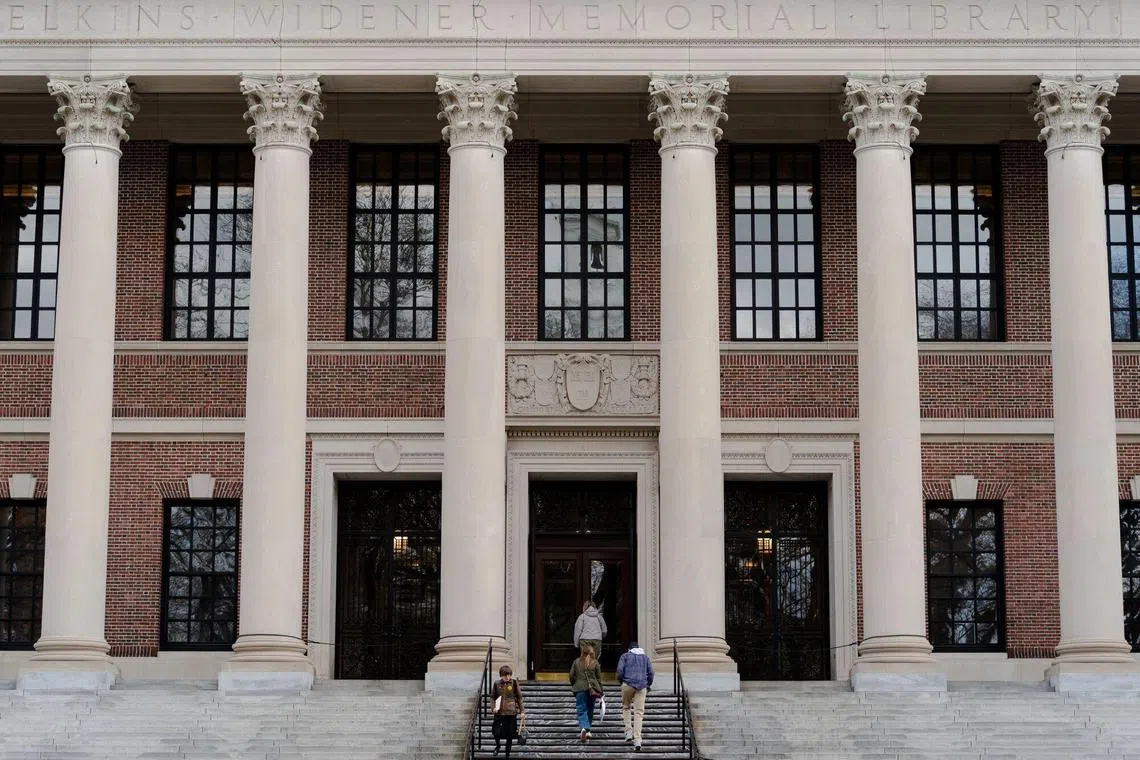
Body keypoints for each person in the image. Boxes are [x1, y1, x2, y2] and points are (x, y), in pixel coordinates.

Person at [616, 641, 654, 752]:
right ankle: (637, 740)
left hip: (627, 684)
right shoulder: (645, 658)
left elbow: (619, 670)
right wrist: (648, 684)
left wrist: (621, 681)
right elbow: (651, 672)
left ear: (629, 649)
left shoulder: (625, 656)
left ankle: (628, 732)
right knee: (639, 712)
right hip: (641, 686)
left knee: (626, 707)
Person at [569, 643, 603, 743]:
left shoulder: (576, 662)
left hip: (580, 688)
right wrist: (601, 691)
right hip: (593, 689)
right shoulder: (595, 663)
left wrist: (575, 684)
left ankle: (584, 728)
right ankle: (588, 730)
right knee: (590, 709)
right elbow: (598, 678)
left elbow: (571, 676)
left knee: (581, 709)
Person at [490, 664, 524, 757]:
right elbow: (492, 697)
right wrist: (493, 708)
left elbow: (519, 698)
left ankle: (507, 755)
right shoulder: (497, 684)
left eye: (509, 675)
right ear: (501, 675)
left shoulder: (514, 683)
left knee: (510, 736)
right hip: (499, 713)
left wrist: (522, 711)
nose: (508, 677)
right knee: (495, 732)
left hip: (511, 714)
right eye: (506, 675)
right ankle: (498, 746)